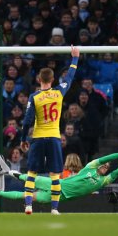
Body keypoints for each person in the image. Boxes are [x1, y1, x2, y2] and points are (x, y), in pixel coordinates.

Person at [20, 45, 80, 215]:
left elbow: (27, 121)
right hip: (54, 137)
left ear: (39, 79)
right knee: (55, 174)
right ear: (52, 80)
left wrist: (23, 138)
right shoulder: (59, 92)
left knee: (31, 173)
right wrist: (75, 58)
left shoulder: (35, 97)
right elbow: (70, 76)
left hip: (38, 138)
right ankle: (54, 209)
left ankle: (29, 205)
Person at [0, 148, 118, 204]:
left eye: (106, 167)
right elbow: (106, 158)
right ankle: (6, 171)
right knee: (28, 178)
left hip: (57, 198)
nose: (104, 165)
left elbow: (116, 172)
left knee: (24, 197)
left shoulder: (103, 180)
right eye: (103, 164)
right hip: (56, 185)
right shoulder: (90, 167)